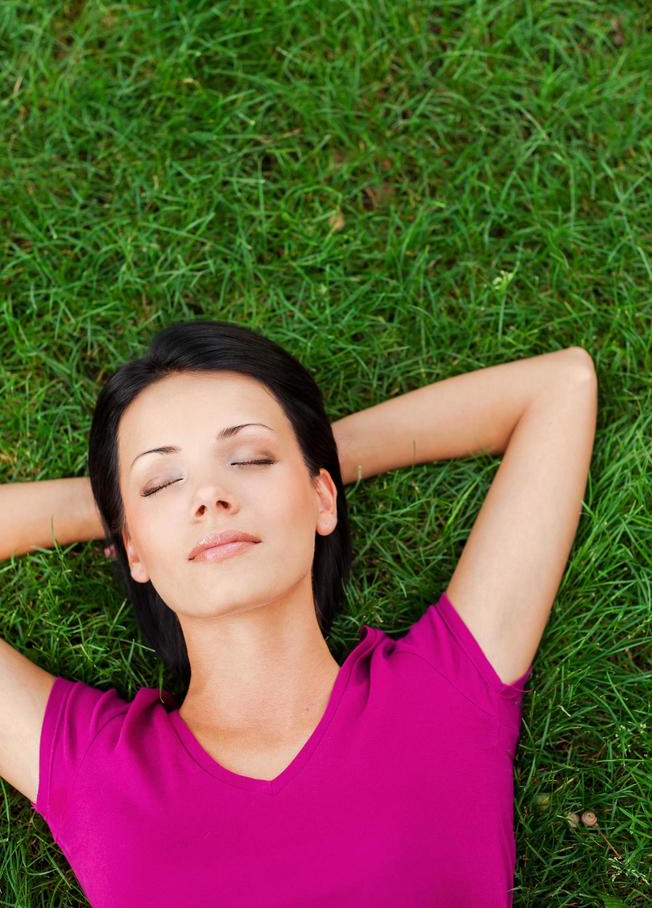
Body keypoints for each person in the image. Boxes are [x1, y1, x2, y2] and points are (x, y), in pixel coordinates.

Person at [0, 320, 598, 907]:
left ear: (322, 497)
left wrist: (316, 462)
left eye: (252, 459)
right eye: (162, 484)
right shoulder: (97, 772)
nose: (209, 496)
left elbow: (559, 386)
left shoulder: (445, 693)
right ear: (133, 549)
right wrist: (116, 507)